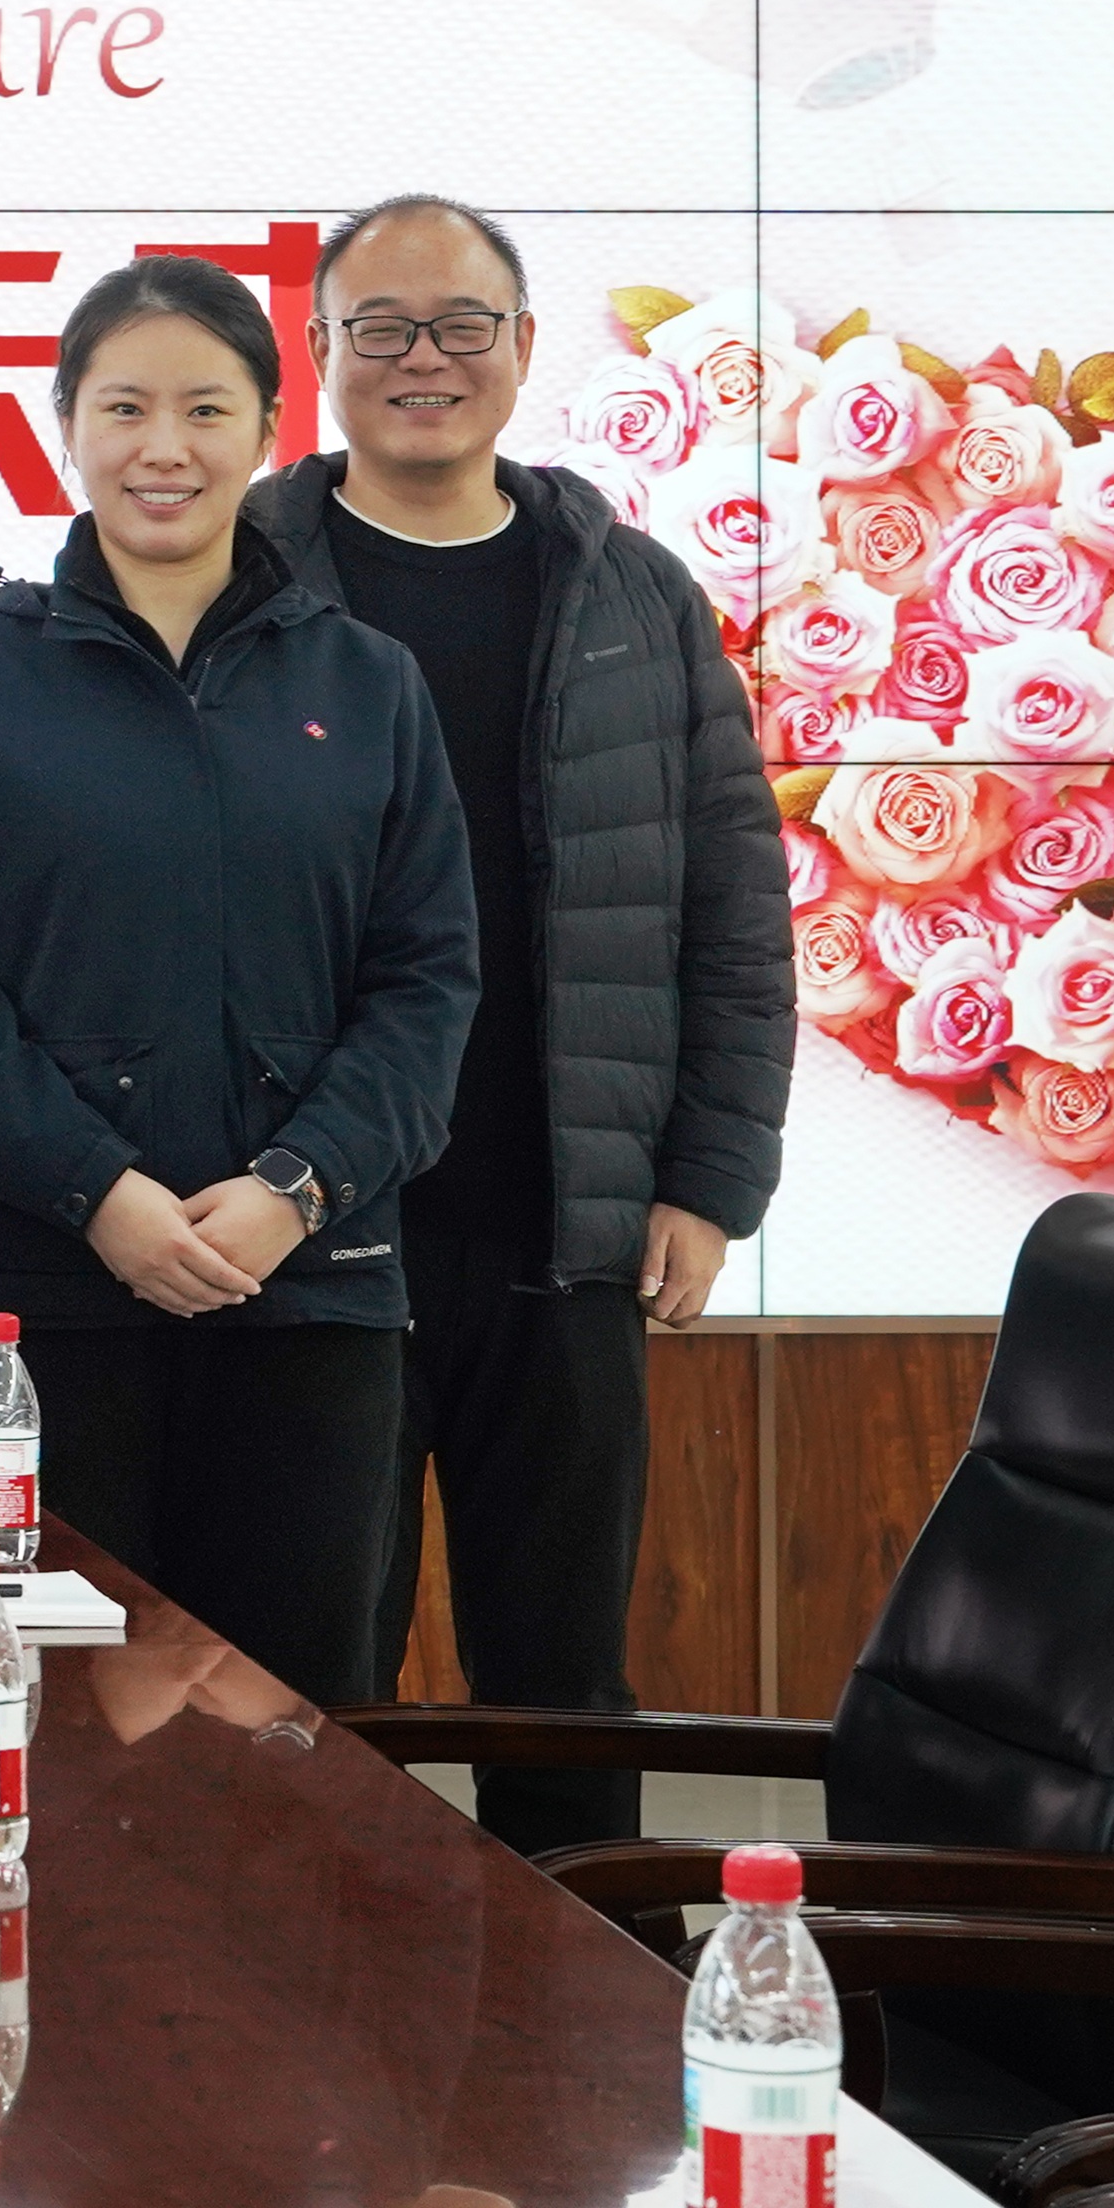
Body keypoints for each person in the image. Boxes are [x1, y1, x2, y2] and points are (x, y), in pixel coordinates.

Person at [0, 255, 479, 1705]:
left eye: (205, 408)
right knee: (36, 1720)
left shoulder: (364, 682)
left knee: (290, 1730)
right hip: (34, 1301)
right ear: (65, 427)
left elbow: (425, 985)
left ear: (265, 427)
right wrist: (98, 1193)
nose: (163, 447)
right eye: (123, 407)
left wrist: (294, 1188)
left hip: (307, 1291)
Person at [254, 193, 787, 1850]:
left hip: (563, 1229)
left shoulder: (630, 593)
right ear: (319, 352)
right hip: (310, 1234)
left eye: (461, 324)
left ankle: (591, 1993)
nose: (422, 359)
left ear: (523, 346)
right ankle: (313, 1986)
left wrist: (706, 1180)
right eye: (380, 326)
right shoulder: (244, 577)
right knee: (309, 1680)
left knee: (559, 1683)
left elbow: (732, 906)